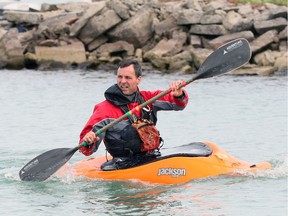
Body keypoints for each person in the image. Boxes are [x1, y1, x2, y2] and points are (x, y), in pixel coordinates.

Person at [79, 58, 188, 170]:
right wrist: (88, 141)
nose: (122, 81)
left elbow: (179, 105)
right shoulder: (104, 109)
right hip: (122, 165)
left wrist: (178, 94)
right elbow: (85, 148)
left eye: (127, 77)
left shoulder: (149, 99)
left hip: (150, 157)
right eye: (120, 77)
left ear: (138, 80)